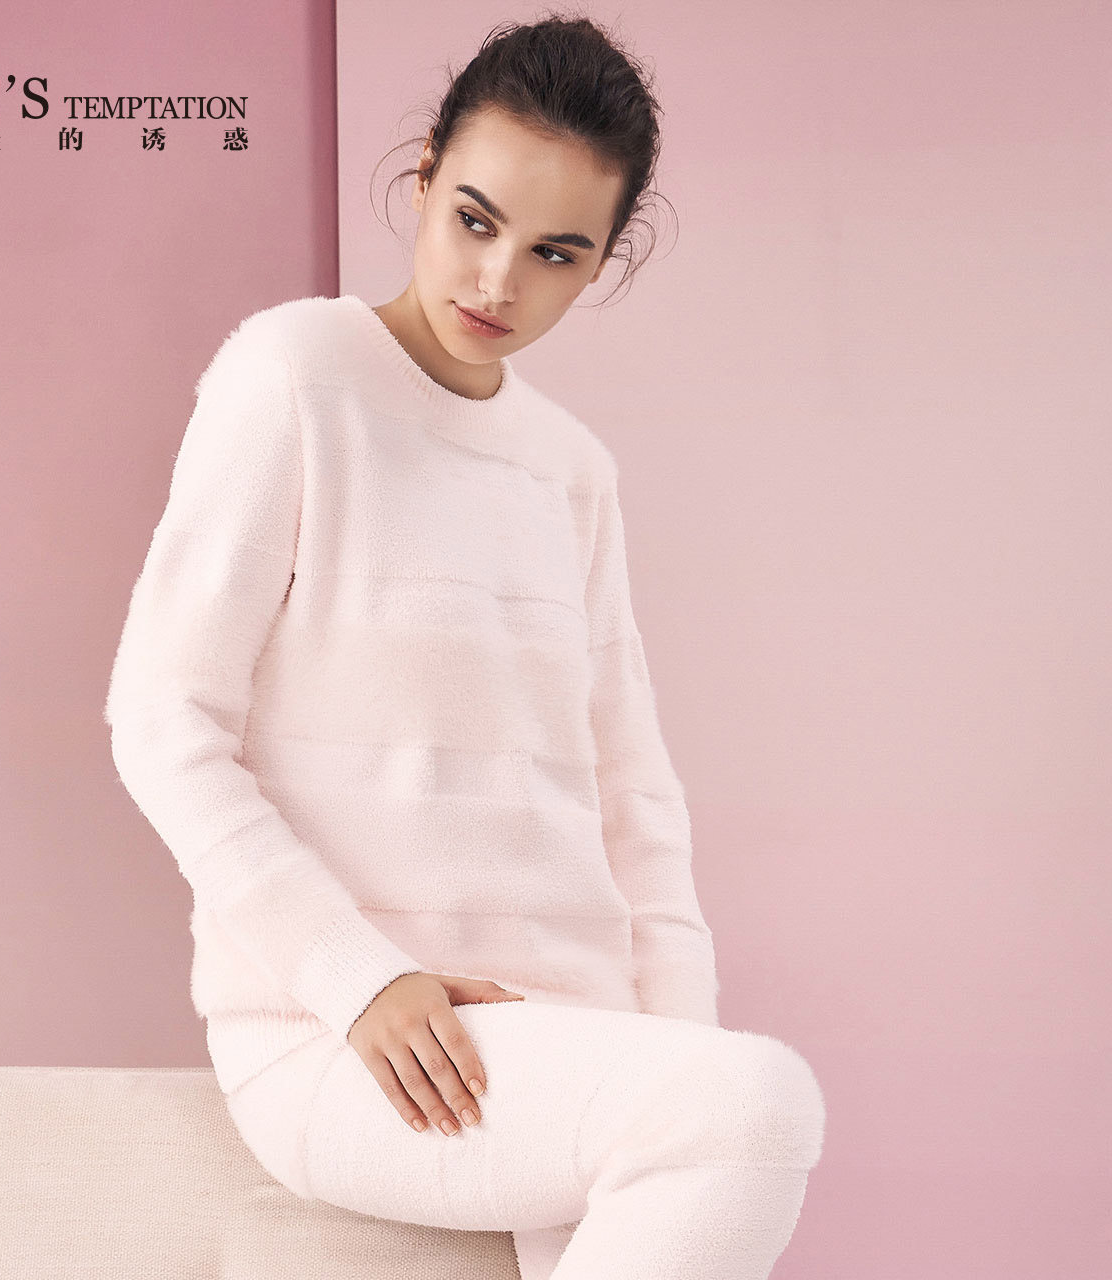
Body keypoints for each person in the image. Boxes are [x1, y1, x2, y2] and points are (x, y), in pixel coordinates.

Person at [103, 14, 826, 1279]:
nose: (496, 283)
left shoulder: (571, 472)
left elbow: (633, 799)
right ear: (423, 175)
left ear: (600, 262)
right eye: (474, 220)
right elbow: (163, 721)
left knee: (729, 1105)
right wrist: (358, 976)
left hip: (574, 1036)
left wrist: (679, 1053)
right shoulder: (294, 377)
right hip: (345, 1038)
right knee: (760, 1104)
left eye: (553, 253)